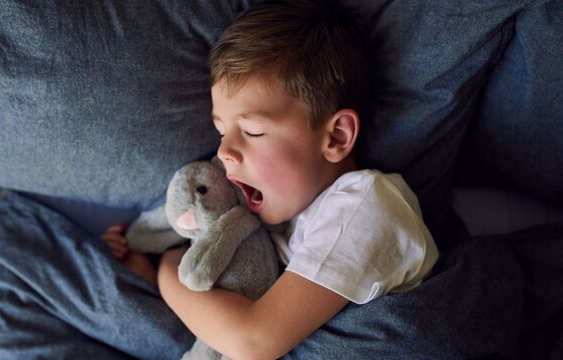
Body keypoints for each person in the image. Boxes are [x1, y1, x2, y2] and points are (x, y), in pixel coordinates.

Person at [103, 0, 439, 358]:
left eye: (252, 131)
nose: (224, 153)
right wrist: (143, 266)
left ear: (337, 136)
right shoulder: (276, 217)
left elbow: (253, 341)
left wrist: (168, 270)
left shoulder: (365, 205)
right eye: (221, 131)